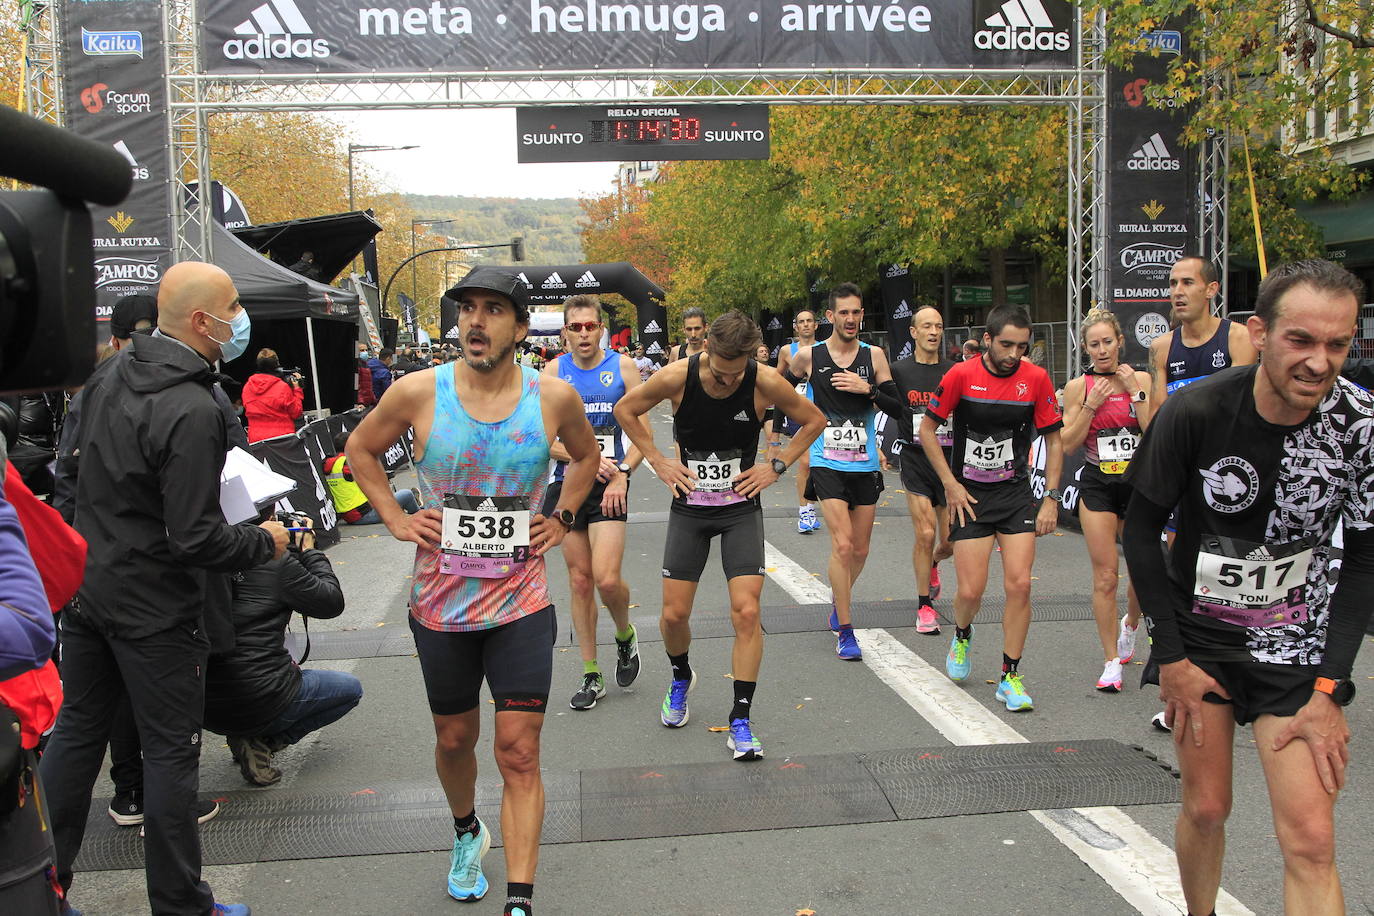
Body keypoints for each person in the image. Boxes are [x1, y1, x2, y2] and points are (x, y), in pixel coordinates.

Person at [1122, 259, 1374, 916]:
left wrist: (1330, 688)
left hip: (1296, 645)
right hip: (1201, 639)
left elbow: (1366, 562)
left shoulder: (1361, 425)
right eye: (1302, 340)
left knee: (1313, 840)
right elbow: (1141, 533)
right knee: (1207, 809)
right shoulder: (1196, 412)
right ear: (1259, 333)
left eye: (1338, 345)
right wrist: (1170, 656)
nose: (1320, 363)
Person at [345, 266, 598, 916]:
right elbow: (360, 450)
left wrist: (563, 517)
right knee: (455, 739)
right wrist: (398, 519)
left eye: (492, 310)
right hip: (442, 606)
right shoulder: (416, 392)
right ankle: (465, 830)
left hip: (520, 604)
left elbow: (588, 457)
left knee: (518, 749)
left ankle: (520, 899)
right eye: (467, 310)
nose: (476, 321)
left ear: (518, 326)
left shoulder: (553, 398)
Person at [40, 261, 288, 916]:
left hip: (92, 589)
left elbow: (75, 476)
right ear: (203, 321)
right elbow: (197, 538)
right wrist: (267, 542)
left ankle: (40, 887)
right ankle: (181, 904)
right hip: (157, 608)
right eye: (233, 306)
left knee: (75, 738)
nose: (241, 318)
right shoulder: (194, 406)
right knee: (171, 756)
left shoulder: (109, 375)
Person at [616, 311, 824, 760]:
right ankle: (680, 676)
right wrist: (658, 460)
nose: (728, 381)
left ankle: (741, 717)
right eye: (720, 371)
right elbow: (625, 409)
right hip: (690, 507)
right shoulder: (677, 376)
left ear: (750, 358)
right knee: (673, 616)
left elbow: (813, 420)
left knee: (747, 612)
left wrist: (777, 466)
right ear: (706, 348)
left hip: (739, 509)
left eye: (737, 373)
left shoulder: (764, 380)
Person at [920, 304, 1063, 711]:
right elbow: (928, 429)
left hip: (1015, 495)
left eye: (1022, 346)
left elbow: (1054, 439)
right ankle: (962, 633)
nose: (1014, 354)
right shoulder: (961, 375)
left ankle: (1009, 675)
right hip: (970, 498)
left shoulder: (1035, 379)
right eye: (1006, 344)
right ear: (986, 340)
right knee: (970, 590)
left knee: (1019, 585)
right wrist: (949, 485)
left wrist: (1050, 497)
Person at [784, 284, 905, 661]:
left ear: (862, 315)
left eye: (857, 313)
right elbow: (781, 396)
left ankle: (840, 600)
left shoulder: (875, 356)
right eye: (844, 313)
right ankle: (847, 630)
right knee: (842, 544)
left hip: (864, 463)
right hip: (826, 461)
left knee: (861, 548)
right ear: (831, 317)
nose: (851, 319)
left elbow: (897, 408)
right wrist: (782, 434)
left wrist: (867, 389)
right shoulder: (808, 357)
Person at [541, 295, 645, 710]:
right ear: (565, 332)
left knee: (605, 578)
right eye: (575, 327)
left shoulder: (622, 367)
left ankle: (625, 635)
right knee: (580, 581)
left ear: (601, 328)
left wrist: (622, 472)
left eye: (590, 326)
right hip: (568, 485)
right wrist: (585, 456)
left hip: (610, 484)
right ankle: (591, 673)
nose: (583, 334)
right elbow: (544, 440)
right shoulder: (552, 372)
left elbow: (642, 435)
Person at [205, 516, 361, 787]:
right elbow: (331, 601)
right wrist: (310, 551)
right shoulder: (274, 561)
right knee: (349, 689)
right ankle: (264, 741)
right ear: (269, 520)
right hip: (263, 697)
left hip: (199, 704)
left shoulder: (197, 554)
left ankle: (248, 736)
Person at [1058, 308, 1153, 692]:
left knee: (1143, 572)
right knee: (1105, 576)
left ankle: (1130, 623)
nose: (1101, 350)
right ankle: (1110, 660)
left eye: (1107, 342)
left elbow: (1154, 432)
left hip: (1138, 484)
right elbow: (1066, 443)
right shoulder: (1079, 386)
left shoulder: (1142, 378)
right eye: (1094, 344)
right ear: (1085, 347)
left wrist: (1135, 393)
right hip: (1098, 484)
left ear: (1120, 343)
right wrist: (1090, 406)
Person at [889, 306, 955, 634]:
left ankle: (933, 563)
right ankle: (924, 605)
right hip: (915, 461)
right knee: (926, 534)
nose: (933, 331)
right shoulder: (898, 371)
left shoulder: (954, 371)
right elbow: (881, 406)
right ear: (913, 332)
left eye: (939, 326)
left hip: (948, 463)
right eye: (926, 326)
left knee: (950, 542)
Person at [1150, 255, 1257, 403]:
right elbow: (1157, 416)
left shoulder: (1239, 338)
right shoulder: (1160, 347)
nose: (1178, 291)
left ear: (1211, 289)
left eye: (1187, 282)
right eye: (1173, 284)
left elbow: (1235, 406)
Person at [771, 309, 821, 534]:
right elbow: (776, 381)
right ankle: (804, 512)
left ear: (816, 325)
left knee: (818, 465)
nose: (806, 325)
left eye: (809, 321)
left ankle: (811, 505)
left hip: (822, 412)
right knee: (805, 462)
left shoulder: (825, 350)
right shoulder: (786, 351)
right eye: (801, 322)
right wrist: (774, 433)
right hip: (797, 413)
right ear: (796, 327)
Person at [323, 429, 420, 525]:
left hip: (349, 515)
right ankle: (418, 514)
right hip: (363, 514)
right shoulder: (349, 462)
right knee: (407, 494)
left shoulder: (330, 463)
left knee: (394, 498)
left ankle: (406, 506)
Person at [241, 348, 304, 443]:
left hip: (256, 441)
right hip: (282, 440)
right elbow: (296, 412)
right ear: (276, 365)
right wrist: (297, 389)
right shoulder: (282, 387)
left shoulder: (247, 387)